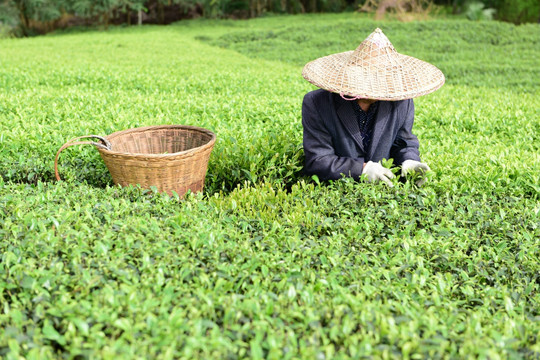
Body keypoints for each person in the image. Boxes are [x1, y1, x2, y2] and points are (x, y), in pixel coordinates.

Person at [301, 28, 445, 187]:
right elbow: (318, 160)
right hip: (337, 191)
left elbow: (404, 143)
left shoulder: (401, 102)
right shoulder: (317, 102)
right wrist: (361, 169)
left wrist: (409, 160)